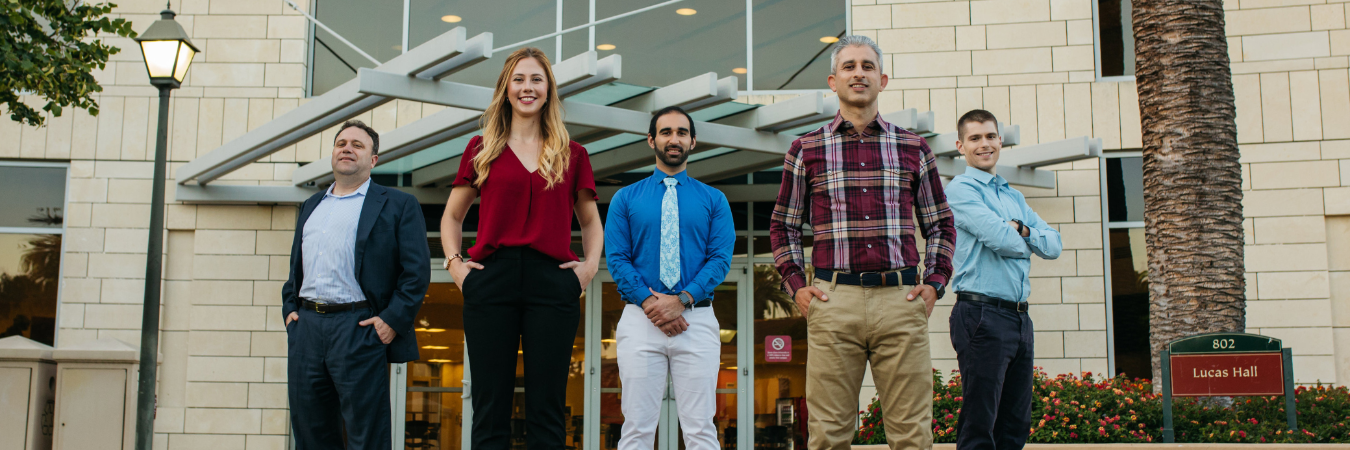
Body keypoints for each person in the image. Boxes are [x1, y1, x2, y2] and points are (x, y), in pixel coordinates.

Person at [768, 35, 956, 450]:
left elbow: (940, 223)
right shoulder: (806, 149)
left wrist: (935, 283)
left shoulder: (913, 147)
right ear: (833, 81)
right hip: (833, 302)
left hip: (901, 301)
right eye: (849, 66)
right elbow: (782, 226)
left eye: (867, 66)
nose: (859, 73)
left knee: (912, 435)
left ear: (883, 80)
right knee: (828, 436)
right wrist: (798, 287)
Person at [439, 47, 603, 450]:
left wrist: (589, 267)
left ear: (548, 90)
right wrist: (455, 265)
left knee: (547, 407)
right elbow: (452, 218)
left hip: (553, 282)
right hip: (491, 279)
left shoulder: (572, 153)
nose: (527, 87)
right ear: (506, 88)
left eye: (536, 79)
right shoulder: (482, 148)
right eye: (519, 79)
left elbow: (590, 222)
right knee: (489, 404)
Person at [281, 120, 430, 450]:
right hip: (306, 329)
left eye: (358, 145)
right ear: (333, 154)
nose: (347, 148)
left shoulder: (397, 204)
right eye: (341, 143)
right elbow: (296, 271)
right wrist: (290, 310)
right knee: (310, 433)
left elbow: (416, 272)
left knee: (366, 436)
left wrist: (390, 321)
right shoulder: (311, 206)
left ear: (373, 160)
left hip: (359, 328)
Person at [605, 106, 735, 450]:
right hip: (639, 320)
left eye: (681, 132)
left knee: (701, 430)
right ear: (651, 140)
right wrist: (653, 305)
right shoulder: (625, 198)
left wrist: (681, 302)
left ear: (693, 141)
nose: (673, 139)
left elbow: (720, 259)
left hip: (697, 320)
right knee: (636, 429)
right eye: (665, 132)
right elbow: (617, 259)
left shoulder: (715, 200)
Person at [946, 109, 1062, 450]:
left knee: (1015, 424)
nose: (985, 144)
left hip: (1019, 318)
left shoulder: (1014, 196)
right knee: (981, 424)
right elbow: (1004, 242)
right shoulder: (961, 190)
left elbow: (1053, 245)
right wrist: (1024, 237)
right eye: (975, 138)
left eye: (990, 136)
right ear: (960, 146)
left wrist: (1021, 228)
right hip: (981, 315)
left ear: (1000, 140)